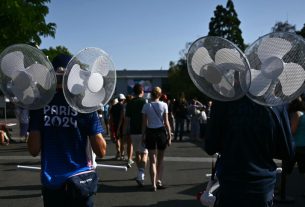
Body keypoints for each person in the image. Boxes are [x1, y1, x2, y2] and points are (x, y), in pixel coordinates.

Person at [27, 54, 107, 207]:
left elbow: (33, 149)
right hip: (80, 181)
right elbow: (101, 150)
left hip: (52, 182)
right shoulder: (84, 105)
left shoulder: (39, 106)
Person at [205, 97, 294, 207]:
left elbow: (210, 147)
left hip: (230, 183)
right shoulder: (275, 105)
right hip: (262, 184)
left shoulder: (222, 103)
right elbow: (288, 151)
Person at [142, 86, 172, 191]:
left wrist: (143, 136)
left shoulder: (146, 106)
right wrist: (169, 135)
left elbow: (144, 123)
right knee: (160, 159)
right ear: (160, 94)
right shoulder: (164, 105)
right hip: (161, 132)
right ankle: (159, 180)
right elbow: (166, 122)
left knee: (152, 161)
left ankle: (153, 184)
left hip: (150, 132)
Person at [125, 83, 148, 186]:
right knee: (145, 153)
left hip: (133, 131)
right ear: (142, 92)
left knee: (137, 153)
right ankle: (141, 174)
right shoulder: (145, 102)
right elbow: (147, 118)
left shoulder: (130, 103)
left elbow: (127, 119)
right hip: (144, 131)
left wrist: (126, 131)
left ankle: (139, 174)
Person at [283, 97, 305, 184]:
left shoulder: (298, 114)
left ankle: (282, 191)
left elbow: (292, 131)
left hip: (295, 146)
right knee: (303, 171)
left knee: (286, 170)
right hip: (304, 147)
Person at [109, 94, 126, 160]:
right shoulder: (123, 107)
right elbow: (122, 117)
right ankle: (122, 154)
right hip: (122, 125)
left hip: (115, 125)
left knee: (117, 139)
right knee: (122, 140)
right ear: (123, 99)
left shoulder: (113, 107)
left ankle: (118, 152)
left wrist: (111, 126)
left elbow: (111, 118)